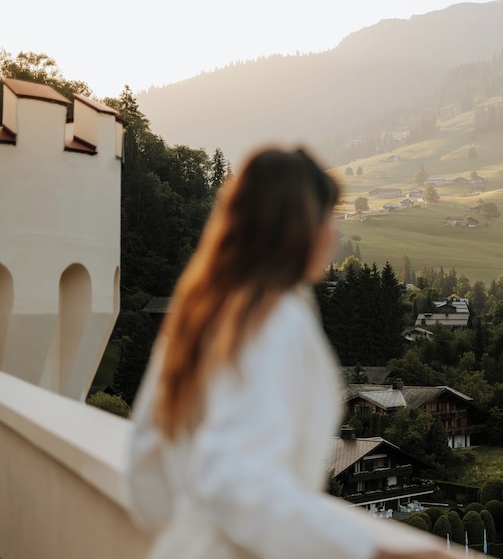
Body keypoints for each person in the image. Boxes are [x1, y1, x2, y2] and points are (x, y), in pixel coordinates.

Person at [126, 148, 450, 559]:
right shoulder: (273, 316)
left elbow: (144, 477)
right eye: (328, 217)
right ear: (298, 227)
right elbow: (238, 483)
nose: (333, 235)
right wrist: (372, 551)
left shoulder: (200, 313)